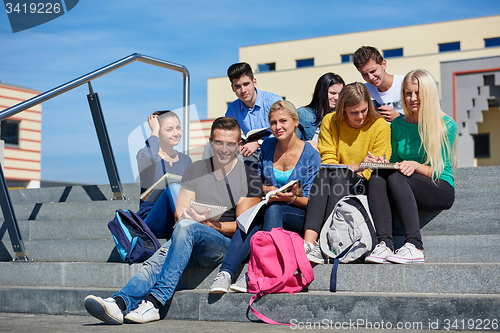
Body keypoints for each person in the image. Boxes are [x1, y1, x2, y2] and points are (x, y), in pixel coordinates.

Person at [84, 117, 263, 325]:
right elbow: (179, 213)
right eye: (219, 143)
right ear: (211, 142)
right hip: (188, 235)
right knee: (159, 258)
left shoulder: (249, 177)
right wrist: (191, 216)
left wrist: (209, 224)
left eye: (231, 144)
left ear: (239, 144)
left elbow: (242, 227)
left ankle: (155, 302)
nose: (224, 149)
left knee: (184, 232)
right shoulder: (196, 170)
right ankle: (119, 303)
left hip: (222, 244)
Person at [209, 100, 320, 293]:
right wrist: (266, 188)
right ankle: (225, 273)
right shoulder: (267, 146)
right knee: (251, 216)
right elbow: (255, 182)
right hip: (269, 208)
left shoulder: (310, 154)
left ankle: (257, 271)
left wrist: (289, 198)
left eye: (283, 121)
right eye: (273, 122)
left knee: (273, 209)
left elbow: (310, 200)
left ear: (295, 122)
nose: (278, 127)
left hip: (298, 213)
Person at [365, 69, 457, 264]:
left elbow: (439, 170)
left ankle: (415, 245)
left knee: (397, 176)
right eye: (408, 93)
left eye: (418, 93)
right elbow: (398, 162)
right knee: (378, 175)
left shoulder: (446, 125)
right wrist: (385, 163)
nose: (412, 98)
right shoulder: (397, 124)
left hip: (439, 187)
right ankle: (384, 244)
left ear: (429, 94)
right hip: (407, 184)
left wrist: (414, 165)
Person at [301, 82, 392, 264]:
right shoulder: (330, 121)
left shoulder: (380, 125)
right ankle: (308, 243)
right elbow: (327, 161)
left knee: (337, 175)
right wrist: (358, 165)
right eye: (353, 112)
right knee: (327, 175)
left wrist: (357, 168)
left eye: (364, 110)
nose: (360, 116)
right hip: (334, 179)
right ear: (342, 110)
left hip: (365, 184)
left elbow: (376, 166)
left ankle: (324, 242)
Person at [136, 111, 192, 239]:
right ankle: (189, 228)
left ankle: (189, 229)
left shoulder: (186, 160)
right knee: (173, 188)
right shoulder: (146, 156)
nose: (176, 133)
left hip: (178, 219)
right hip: (151, 220)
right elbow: (148, 156)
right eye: (169, 129)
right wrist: (154, 130)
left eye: (178, 127)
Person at [224, 62, 283, 168]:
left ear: (254, 82)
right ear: (232, 88)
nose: (243, 90)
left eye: (246, 84)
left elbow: (288, 132)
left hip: (278, 151)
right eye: (238, 86)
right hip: (251, 156)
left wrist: (258, 143)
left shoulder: (273, 102)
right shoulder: (232, 109)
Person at [353, 46, 405, 122]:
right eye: (364, 74)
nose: (370, 77)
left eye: (373, 71)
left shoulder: (406, 83)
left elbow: (424, 115)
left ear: (383, 64)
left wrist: (399, 117)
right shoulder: (363, 91)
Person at [297, 72, 345, 146]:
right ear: (320, 93)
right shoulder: (302, 114)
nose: (337, 98)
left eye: (340, 94)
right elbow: (293, 145)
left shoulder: (343, 116)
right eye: (332, 93)